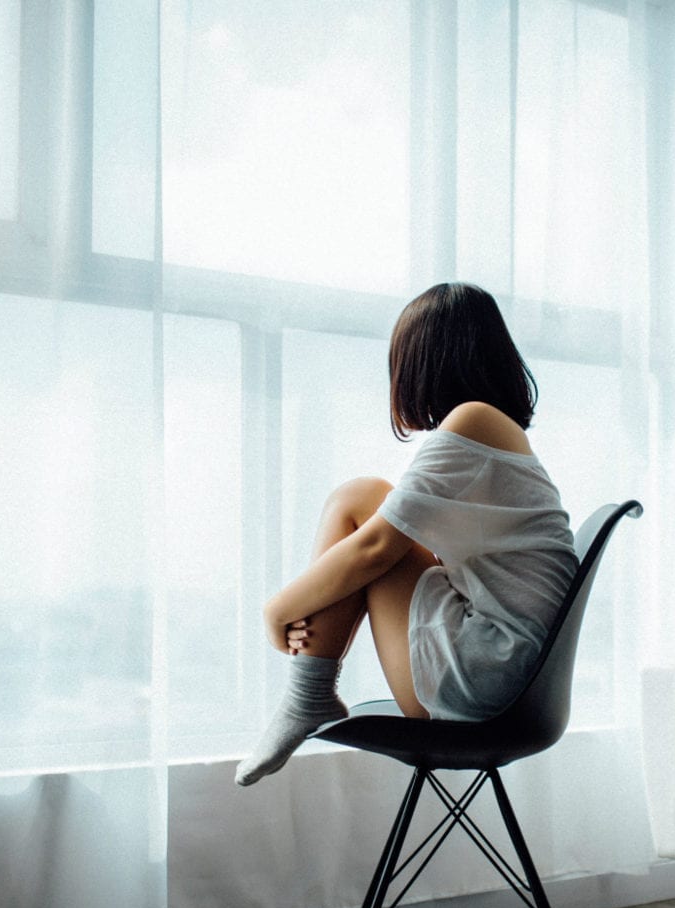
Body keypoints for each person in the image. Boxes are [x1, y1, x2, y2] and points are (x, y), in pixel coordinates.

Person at [235, 282, 578, 786]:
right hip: (508, 676)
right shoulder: (496, 432)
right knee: (366, 499)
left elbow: (376, 549)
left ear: (423, 362)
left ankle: (306, 696)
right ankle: (308, 695)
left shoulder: (474, 421)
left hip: (486, 681)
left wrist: (277, 609)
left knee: (358, 502)